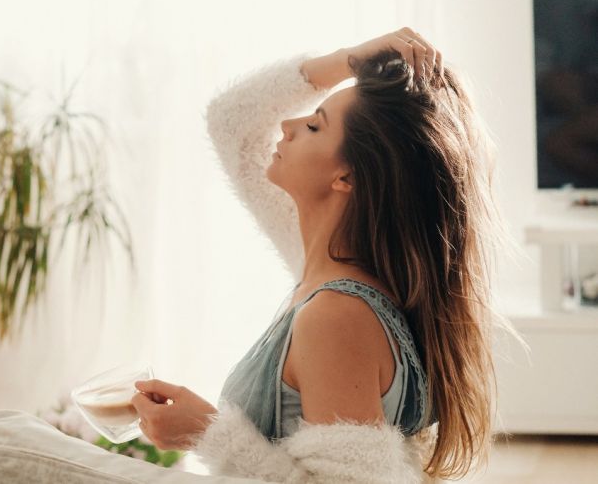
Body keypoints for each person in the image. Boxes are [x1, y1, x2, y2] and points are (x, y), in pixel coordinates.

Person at [131, 27, 527, 483]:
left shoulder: (337, 316)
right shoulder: (333, 263)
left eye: (314, 125)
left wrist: (205, 434)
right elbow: (231, 124)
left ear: (347, 178)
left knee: (29, 449)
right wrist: (348, 59)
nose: (288, 125)